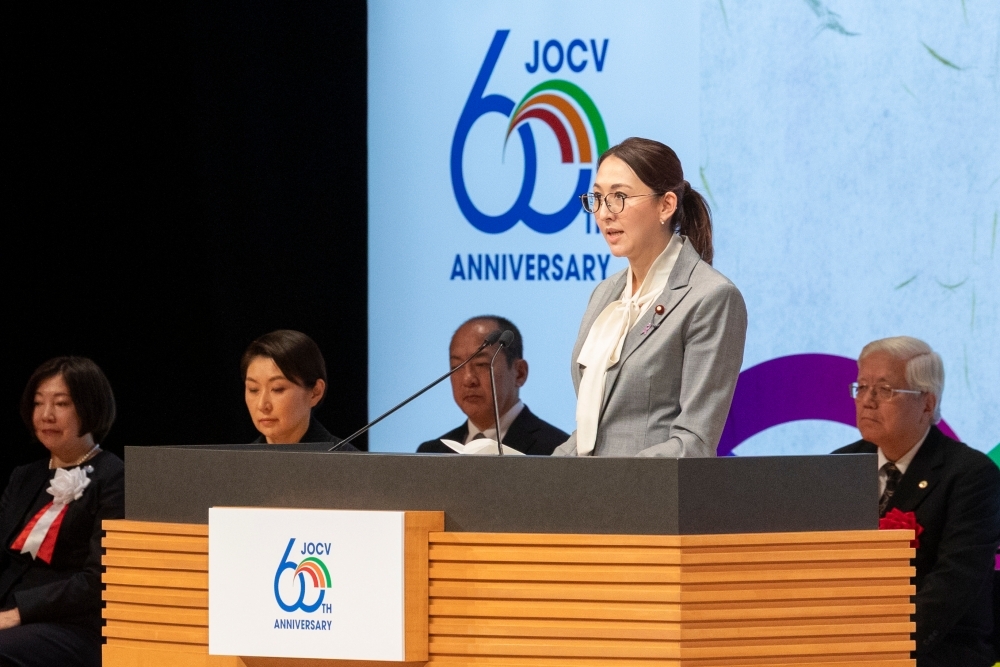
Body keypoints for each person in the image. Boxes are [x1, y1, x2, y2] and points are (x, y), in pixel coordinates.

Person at [553, 137, 747, 458]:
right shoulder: (605, 294)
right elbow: (593, 434)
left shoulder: (711, 297)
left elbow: (693, 442)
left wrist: (615, 483)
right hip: (589, 498)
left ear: (666, 205)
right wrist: (534, 475)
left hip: (651, 501)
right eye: (598, 198)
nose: (604, 213)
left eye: (619, 197)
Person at [833, 337, 1000, 667]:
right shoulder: (840, 466)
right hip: (851, 641)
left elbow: (952, 586)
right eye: (861, 387)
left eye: (884, 390)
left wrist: (885, 647)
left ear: (927, 403)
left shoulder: (970, 475)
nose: (867, 401)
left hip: (937, 649)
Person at [0, 357, 124, 667]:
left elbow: (100, 578)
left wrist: (19, 613)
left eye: (61, 403)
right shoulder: (24, 476)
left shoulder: (116, 478)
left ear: (90, 407)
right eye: (38, 403)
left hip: (74, 626)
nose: (46, 415)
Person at [417, 316, 568, 455]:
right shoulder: (432, 452)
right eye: (457, 366)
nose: (468, 379)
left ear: (519, 373)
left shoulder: (558, 450)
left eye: (482, 364)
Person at [241, 330, 356, 449]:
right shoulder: (235, 463)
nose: (262, 405)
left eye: (277, 389)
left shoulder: (352, 464)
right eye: (253, 389)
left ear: (315, 392)